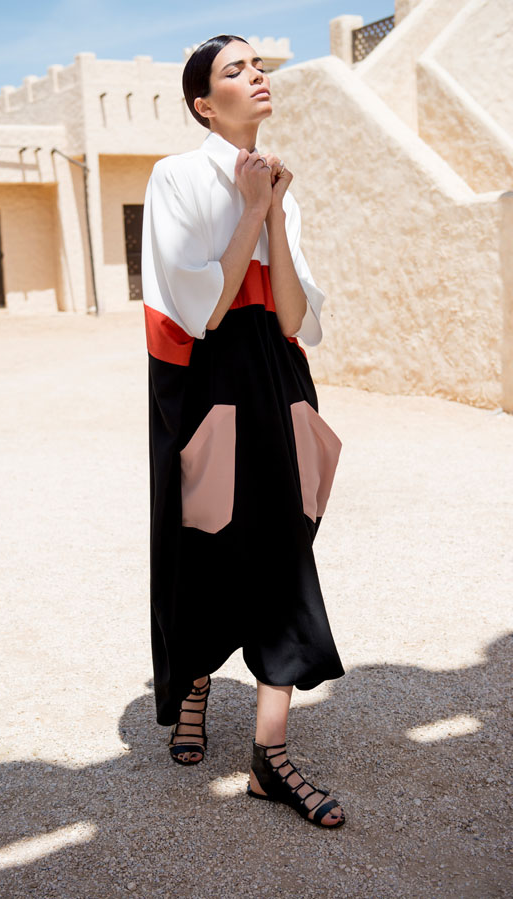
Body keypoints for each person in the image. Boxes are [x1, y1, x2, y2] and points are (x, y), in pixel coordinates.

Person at [141, 34, 346, 828]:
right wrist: (253, 207)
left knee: (287, 551)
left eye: (259, 65)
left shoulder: (283, 184)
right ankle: (194, 683)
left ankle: (271, 755)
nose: (257, 75)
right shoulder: (176, 176)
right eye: (236, 69)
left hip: (278, 374)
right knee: (205, 541)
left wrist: (275, 211)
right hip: (210, 381)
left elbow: (292, 314)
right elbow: (202, 309)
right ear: (203, 103)